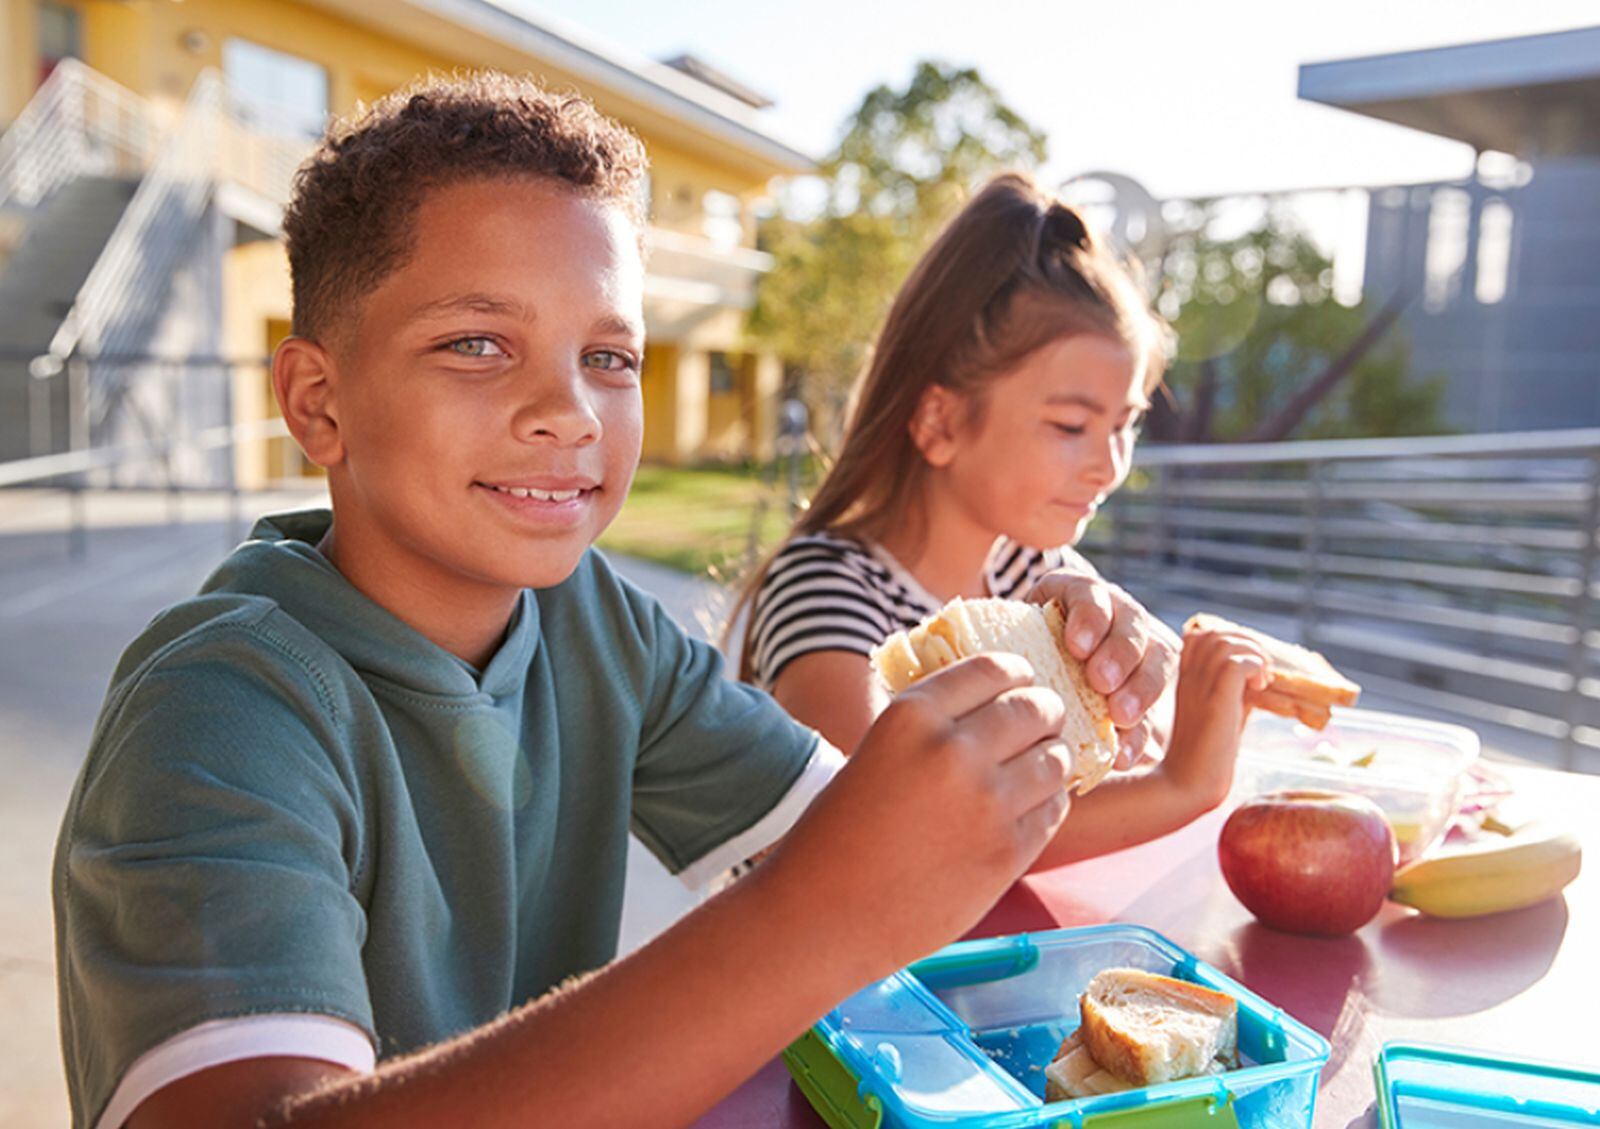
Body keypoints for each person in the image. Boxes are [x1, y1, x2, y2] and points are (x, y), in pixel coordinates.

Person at [52, 77, 1195, 1129]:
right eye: (476, 343)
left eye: (609, 356)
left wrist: (1053, 688)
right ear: (316, 401)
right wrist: (814, 913)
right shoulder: (216, 714)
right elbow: (833, 893)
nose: (568, 410)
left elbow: (878, 843)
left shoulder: (592, 621)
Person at [737, 172, 1271, 868]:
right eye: (1072, 425)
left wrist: (1156, 708)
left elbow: (1119, 753)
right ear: (941, 420)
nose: (1110, 466)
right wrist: (1179, 786)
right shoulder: (823, 590)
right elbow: (892, 841)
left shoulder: (1031, 571)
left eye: (1126, 424)